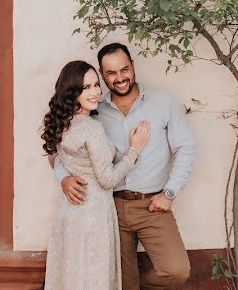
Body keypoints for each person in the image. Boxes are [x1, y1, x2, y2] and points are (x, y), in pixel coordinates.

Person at [55, 43, 195, 290]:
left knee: (176, 271)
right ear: (102, 74)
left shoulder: (163, 102)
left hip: (152, 204)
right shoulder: (93, 109)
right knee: (122, 282)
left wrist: (170, 192)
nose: (119, 78)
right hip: (111, 207)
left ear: (133, 66)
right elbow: (62, 150)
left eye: (124, 69)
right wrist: (63, 177)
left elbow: (185, 148)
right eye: (110, 73)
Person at [42, 60, 152, 290]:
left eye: (96, 85)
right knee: (93, 277)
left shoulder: (62, 123)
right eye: (86, 88)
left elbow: (55, 157)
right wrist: (134, 149)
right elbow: (108, 179)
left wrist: (64, 177)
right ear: (72, 92)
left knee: (71, 277)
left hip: (69, 211)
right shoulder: (92, 128)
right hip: (93, 213)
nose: (95, 93)